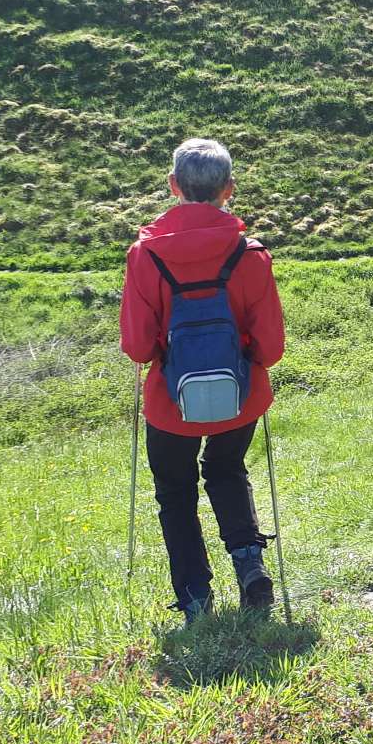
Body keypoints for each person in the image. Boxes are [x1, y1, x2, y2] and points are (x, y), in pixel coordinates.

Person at [119, 139, 286, 619]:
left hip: (170, 403)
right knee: (226, 469)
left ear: (174, 186)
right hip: (241, 396)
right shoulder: (250, 254)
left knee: (175, 492)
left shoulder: (145, 255)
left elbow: (138, 348)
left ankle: (195, 598)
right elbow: (270, 348)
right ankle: (249, 564)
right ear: (228, 189)